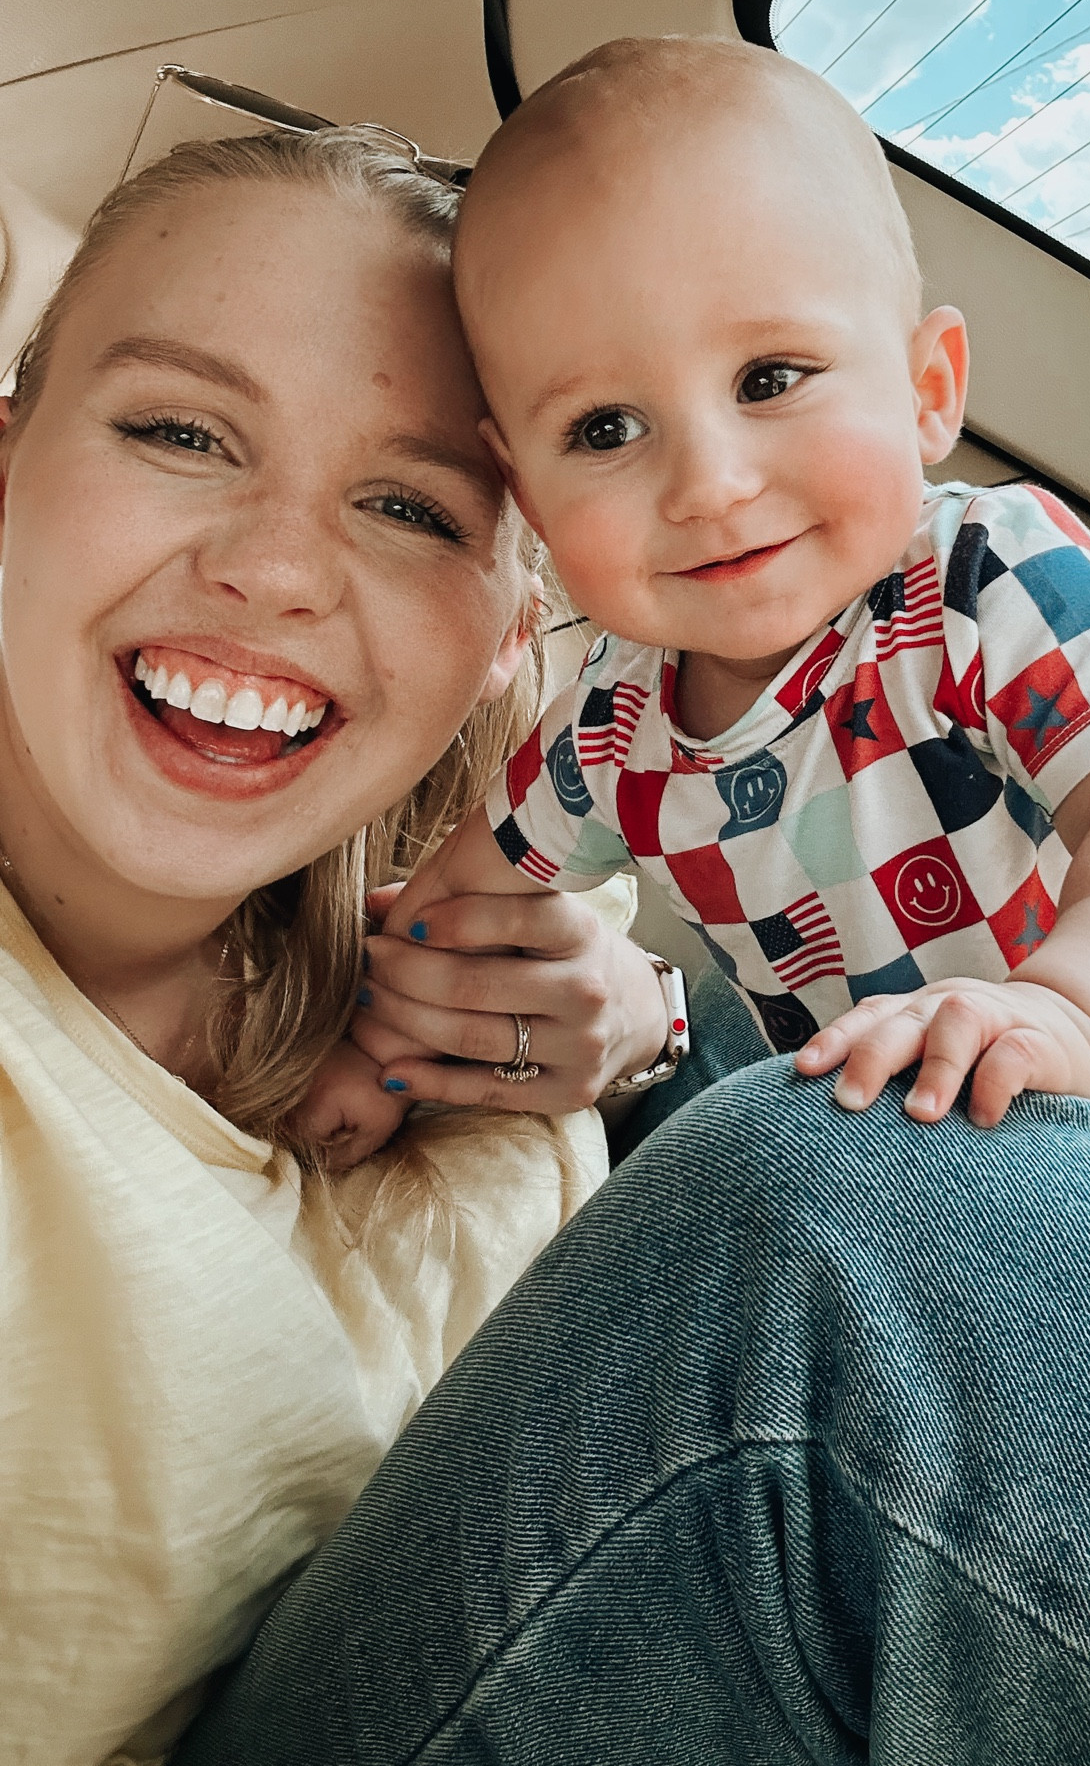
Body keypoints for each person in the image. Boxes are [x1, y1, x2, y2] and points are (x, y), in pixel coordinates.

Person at [300, 36, 1090, 1373]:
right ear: (525, 488)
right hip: (1002, 1255)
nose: (710, 481)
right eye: (607, 429)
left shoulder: (980, 581)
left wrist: (1070, 1012)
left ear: (927, 391)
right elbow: (465, 899)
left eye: (769, 379)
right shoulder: (613, 731)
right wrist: (376, 1049)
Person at [0, 125, 675, 1766]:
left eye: (408, 505)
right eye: (179, 430)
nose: (277, 570)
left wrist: (647, 1026)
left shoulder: (435, 929)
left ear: (509, 629)